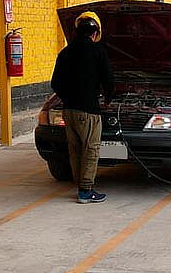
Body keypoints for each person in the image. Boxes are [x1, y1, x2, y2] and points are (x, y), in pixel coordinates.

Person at [51, 11, 114, 203]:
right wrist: (108, 99)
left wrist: (68, 98)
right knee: (91, 149)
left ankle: (79, 185)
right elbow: (108, 80)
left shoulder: (65, 52)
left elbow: (55, 83)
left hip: (68, 111)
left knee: (75, 148)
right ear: (95, 33)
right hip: (88, 111)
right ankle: (86, 191)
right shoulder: (98, 52)